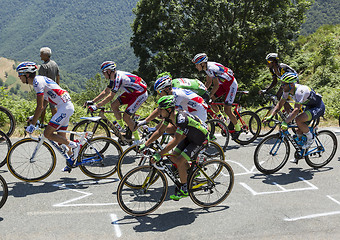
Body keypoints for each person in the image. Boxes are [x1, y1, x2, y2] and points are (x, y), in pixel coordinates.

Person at [139, 95, 209, 200]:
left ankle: (185, 188)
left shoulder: (181, 119)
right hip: (190, 137)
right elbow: (159, 131)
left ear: (168, 109)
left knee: (180, 161)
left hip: (200, 139)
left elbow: (176, 140)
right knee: (172, 157)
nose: (158, 112)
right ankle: (191, 172)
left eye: (160, 109)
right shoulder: (168, 117)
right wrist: (146, 144)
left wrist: (160, 154)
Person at [16, 62, 78, 172]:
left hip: (64, 107)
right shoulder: (39, 80)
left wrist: (33, 124)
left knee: (47, 134)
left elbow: (39, 106)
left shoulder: (37, 82)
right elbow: (44, 103)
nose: (18, 77)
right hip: (64, 107)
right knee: (61, 139)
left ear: (26, 74)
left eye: (20, 74)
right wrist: (34, 117)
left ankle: (75, 145)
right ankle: (72, 161)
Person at [264, 72, 325, 163]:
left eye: (284, 84)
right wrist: (270, 116)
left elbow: (296, 109)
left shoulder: (300, 91)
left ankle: (310, 137)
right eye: (282, 83)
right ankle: (300, 153)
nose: (282, 86)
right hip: (309, 106)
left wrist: (286, 122)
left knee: (298, 120)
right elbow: (280, 105)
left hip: (318, 106)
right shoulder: (286, 90)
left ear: (291, 84)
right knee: (298, 131)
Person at [86, 61, 148, 145]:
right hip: (132, 92)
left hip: (140, 94)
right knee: (114, 105)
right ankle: (122, 129)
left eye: (104, 72)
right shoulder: (113, 77)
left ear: (109, 71)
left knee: (126, 117)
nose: (103, 74)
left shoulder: (118, 79)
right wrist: (93, 101)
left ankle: (138, 140)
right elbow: (106, 91)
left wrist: (96, 106)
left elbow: (111, 96)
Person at [137, 73, 208, 132]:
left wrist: (154, 128)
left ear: (167, 89)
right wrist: (145, 121)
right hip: (190, 109)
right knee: (172, 126)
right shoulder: (171, 94)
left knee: (183, 129)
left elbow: (168, 115)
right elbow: (160, 109)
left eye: (160, 91)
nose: (159, 94)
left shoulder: (177, 96)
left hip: (199, 110)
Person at [192, 53, 240, 139]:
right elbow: (208, 82)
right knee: (211, 101)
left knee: (227, 109)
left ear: (202, 63)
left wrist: (209, 95)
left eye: (197, 64)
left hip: (231, 85)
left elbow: (216, 85)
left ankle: (238, 129)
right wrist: (201, 93)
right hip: (223, 84)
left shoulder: (211, 69)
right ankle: (221, 118)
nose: (196, 67)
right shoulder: (207, 67)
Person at [38, 47, 60, 124]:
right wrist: (57, 87)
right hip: (54, 89)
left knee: (42, 107)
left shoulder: (43, 66)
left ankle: (42, 122)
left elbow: (40, 80)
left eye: (41, 54)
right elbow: (58, 76)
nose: (40, 56)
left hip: (46, 90)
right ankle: (57, 123)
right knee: (53, 107)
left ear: (45, 55)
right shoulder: (54, 64)